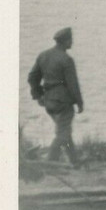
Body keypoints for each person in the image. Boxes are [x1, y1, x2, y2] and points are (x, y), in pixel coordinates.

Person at [27, 27, 84, 166]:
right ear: (65, 41)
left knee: (65, 131)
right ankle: (50, 162)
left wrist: (38, 95)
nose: (72, 42)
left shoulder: (43, 55)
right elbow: (73, 84)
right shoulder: (66, 60)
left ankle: (74, 161)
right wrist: (79, 102)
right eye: (70, 40)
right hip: (63, 102)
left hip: (49, 102)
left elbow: (32, 77)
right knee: (62, 134)